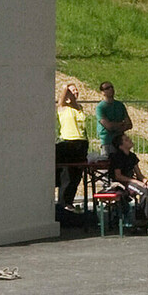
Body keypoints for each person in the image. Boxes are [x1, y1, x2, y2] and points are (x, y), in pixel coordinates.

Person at [54, 82, 91, 215]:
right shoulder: (63, 108)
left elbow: (76, 104)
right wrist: (66, 88)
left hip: (81, 143)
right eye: (72, 91)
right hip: (68, 142)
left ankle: (69, 201)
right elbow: (62, 99)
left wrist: (73, 96)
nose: (75, 93)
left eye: (76, 91)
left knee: (76, 175)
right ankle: (63, 203)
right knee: (67, 174)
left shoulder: (78, 108)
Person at [95, 81, 130, 160]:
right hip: (107, 142)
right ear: (102, 92)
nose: (111, 89)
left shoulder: (120, 105)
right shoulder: (100, 107)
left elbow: (129, 124)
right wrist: (121, 124)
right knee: (107, 165)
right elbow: (108, 126)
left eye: (112, 87)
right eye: (107, 88)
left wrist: (115, 127)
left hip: (120, 142)